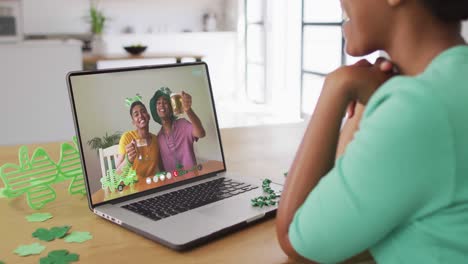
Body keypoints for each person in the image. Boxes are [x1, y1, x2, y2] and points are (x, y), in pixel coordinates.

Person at [276, 0, 468, 263]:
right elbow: (342, 220)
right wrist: (371, 106)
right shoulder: (449, 83)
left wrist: (337, 87)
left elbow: (299, 242)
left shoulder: (420, 106)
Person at [149, 87, 206, 172]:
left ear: (172, 107)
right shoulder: (158, 138)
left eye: (165, 102)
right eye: (158, 103)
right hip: (174, 183)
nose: (161, 105)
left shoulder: (183, 124)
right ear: (155, 109)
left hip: (193, 179)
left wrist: (188, 110)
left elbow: (201, 133)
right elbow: (161, 167)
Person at [115, 100, 160, 178]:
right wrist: (128, 160)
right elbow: (117, 174)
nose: (141, 116)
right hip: (133, 187)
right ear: (133, 122)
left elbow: (160, 166)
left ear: (148, 116)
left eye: (143, 112)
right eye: (136, 114)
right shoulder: (127, 137)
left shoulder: (156, 139)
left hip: (152, 185)